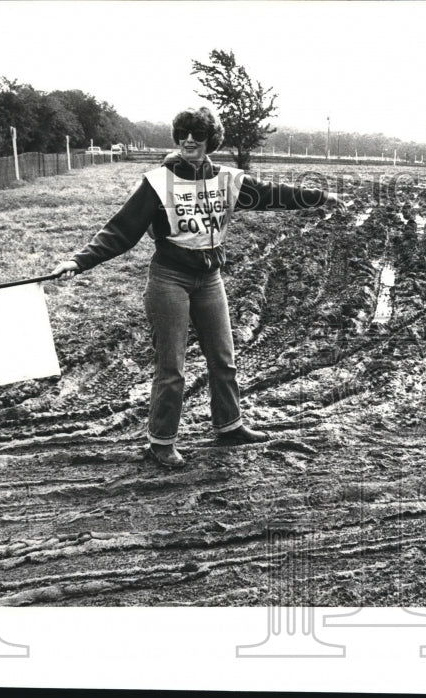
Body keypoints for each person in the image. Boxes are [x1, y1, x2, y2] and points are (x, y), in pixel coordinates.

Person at [52, 106, 346, 467]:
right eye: (183, 134)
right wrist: (79, 261)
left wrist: (319, 197)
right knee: (172, 367)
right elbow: (121, 230)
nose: (189, 140)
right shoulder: (157, 182)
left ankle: (229, 425)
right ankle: (161, 442)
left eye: (197, 135)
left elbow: (273, 194)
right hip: (168, 280)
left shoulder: (227, 179)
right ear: (177, 138)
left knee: (223, 358)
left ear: (210, 141)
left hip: (210, 280)